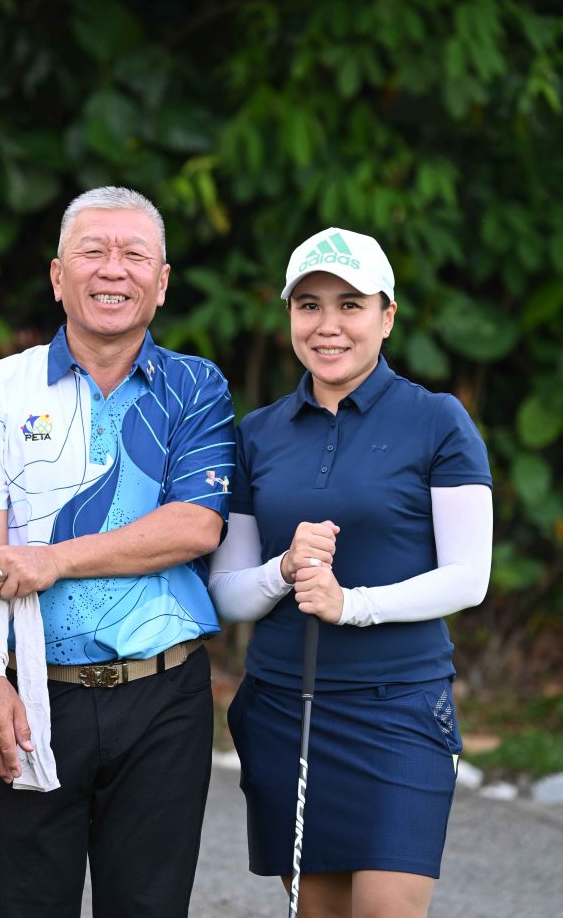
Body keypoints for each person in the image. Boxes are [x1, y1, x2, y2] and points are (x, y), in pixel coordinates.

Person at [0, 186, 235, 918]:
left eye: (134, 254)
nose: (113, 269)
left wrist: (52, 559)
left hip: (165, 694)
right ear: (56, 275)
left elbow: (195, 526)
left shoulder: (195, 387)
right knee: (24, 903)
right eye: (92, 251)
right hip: (34, 690)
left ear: (161, 282)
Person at [208, 226, 493, 918]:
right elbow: (226, 593)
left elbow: (468, 577)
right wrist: (283, 569)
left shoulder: (437, 421)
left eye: (350, 305)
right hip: (286, 707)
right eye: (308, 305)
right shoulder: (256, 433)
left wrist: (350, 604)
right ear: (288, 315)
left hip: (399, 709)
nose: (327, 325)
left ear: (387, 316)